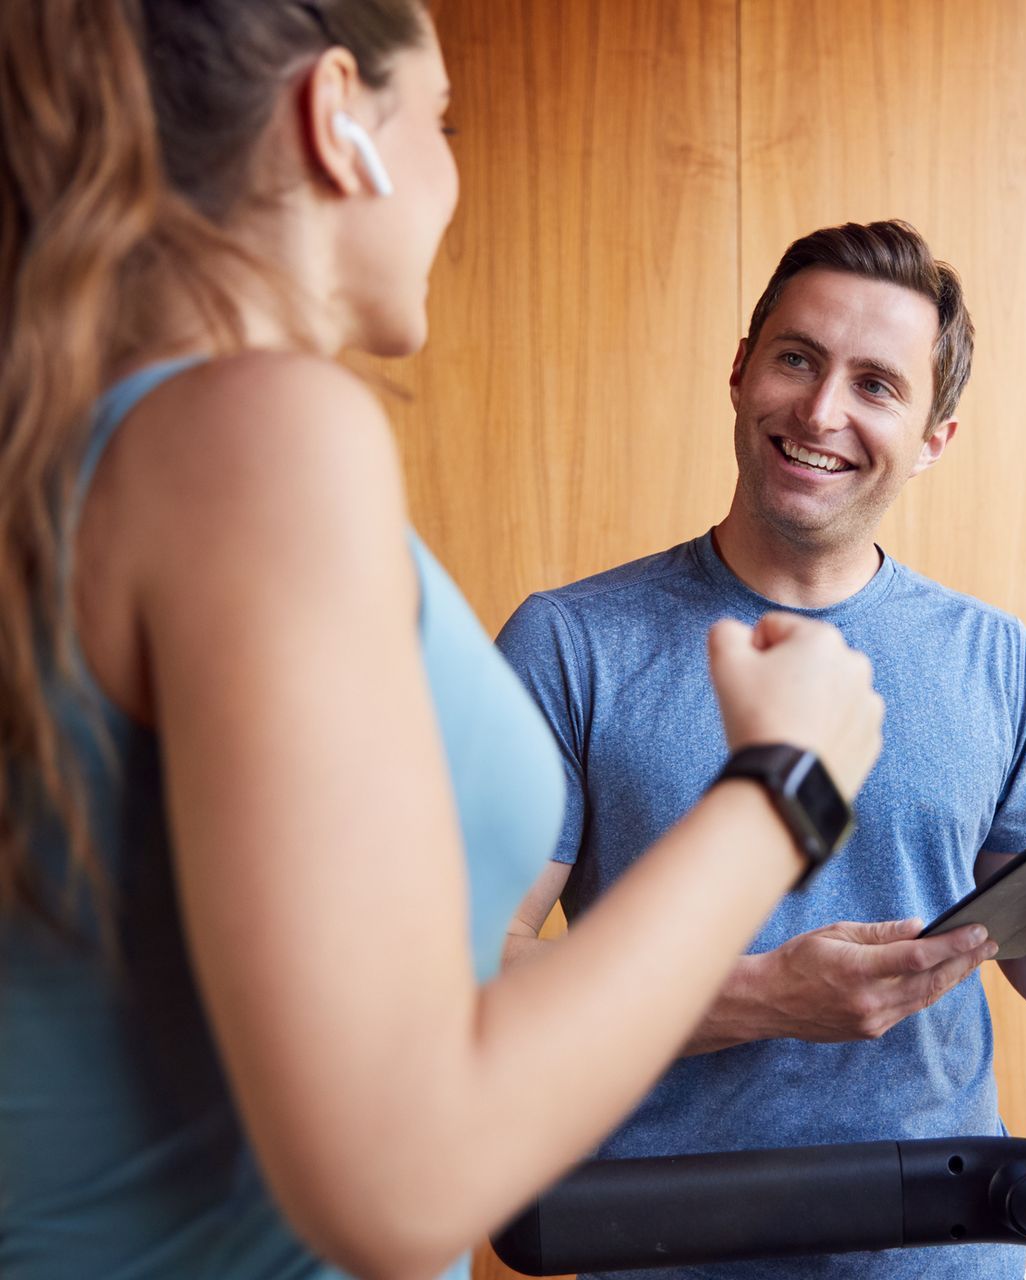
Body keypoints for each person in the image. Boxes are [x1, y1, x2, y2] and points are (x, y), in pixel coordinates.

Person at [0, 4, 885, 1278]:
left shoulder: (107, 450)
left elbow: (418, 1034)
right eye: (444, 120)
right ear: (337, 115)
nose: (452, 171)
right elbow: (400, 1175)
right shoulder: (256, 436)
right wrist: (784, 788)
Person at [496, 220, 1026, 1280]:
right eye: (796, 358)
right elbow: (479, 978)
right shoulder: (570, 641)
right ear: (740, 372)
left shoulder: (992, 654)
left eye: (877, 384)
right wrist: (764, 996)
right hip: (652, 1247)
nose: (821, 411)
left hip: (941, 1258)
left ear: (933, 437)